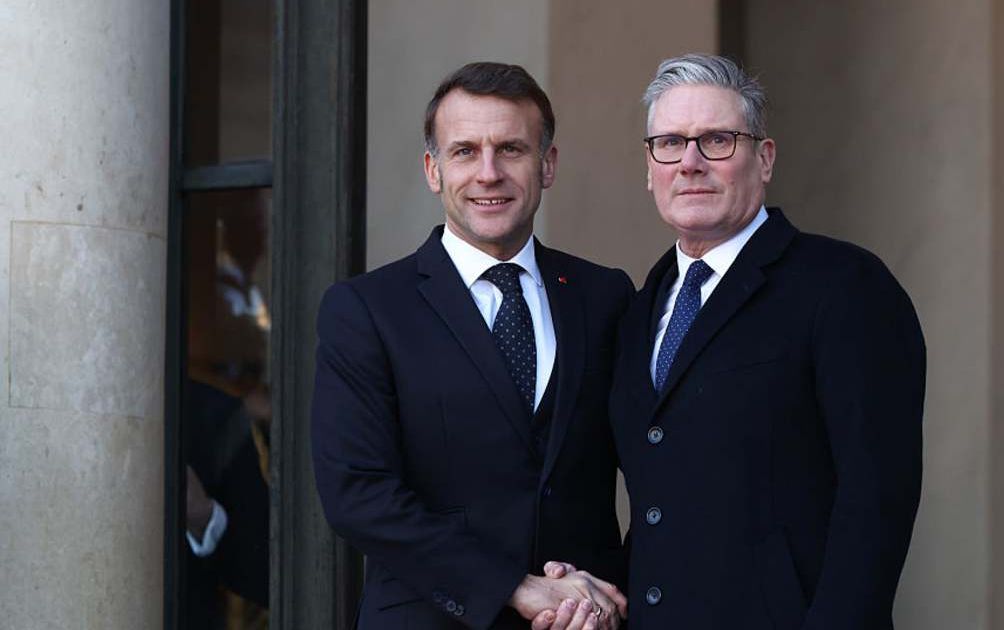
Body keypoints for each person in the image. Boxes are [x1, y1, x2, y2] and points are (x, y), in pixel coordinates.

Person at [604, 53, 925, 628]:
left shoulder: (842, 285)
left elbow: (876, 498)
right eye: (670, 143)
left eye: (718, 140)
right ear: (648, 165)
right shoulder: (642, 308)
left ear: (765, 157)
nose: (691, 162)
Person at [311, 62, 631, 630]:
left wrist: (605, 588)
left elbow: (659, 457)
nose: (489, 173)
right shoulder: (366, 309)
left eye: (511, 149)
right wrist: (515, 587)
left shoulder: (604, 296)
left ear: (547, 164)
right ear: (433, 170)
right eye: (464, 151)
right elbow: (357, 494)